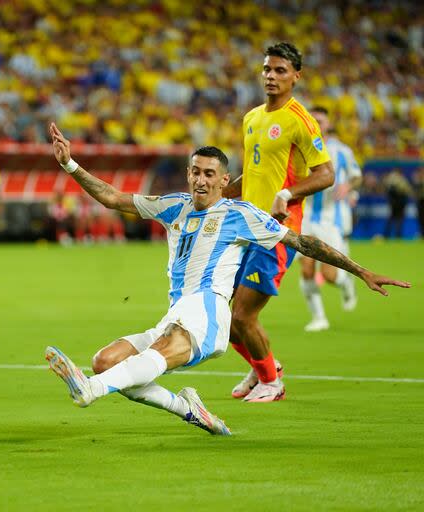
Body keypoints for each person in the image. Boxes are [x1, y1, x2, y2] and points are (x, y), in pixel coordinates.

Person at [45, 123, 408, 435]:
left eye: (208, 174)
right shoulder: (174, 205)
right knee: (106, 361)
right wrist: (70, 164)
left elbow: (302, 242)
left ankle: (90, 390)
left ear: (223, 180)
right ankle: (188, 409)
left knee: (123, 368)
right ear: (188, 174)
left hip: (208, 311)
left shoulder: (240, 214)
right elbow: (112, 198)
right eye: (195, 172)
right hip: (176, 312)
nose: (200, 180)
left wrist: (361, 271)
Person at [222, 42, 335, 402]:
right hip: (245, 227)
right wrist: (224, 193)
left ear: (296, 77)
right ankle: (264, 370)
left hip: (277, 232)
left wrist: (287, 195)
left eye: (280, 71)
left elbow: (326, 174)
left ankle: (272, 381)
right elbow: (255, 173)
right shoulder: (252, 117)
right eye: (267, 70)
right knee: (225, 320)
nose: (271, 76)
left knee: (242, 315)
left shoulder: (300, 120)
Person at [299, 107, 363, 331]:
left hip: (330, 218)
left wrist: (348, 186)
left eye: (321, 121)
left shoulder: (341, 151)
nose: (317, 124)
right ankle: (319, 318)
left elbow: (356, 176)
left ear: (327, 124)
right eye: (313, 120)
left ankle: (347, 283)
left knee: (329, 274)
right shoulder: (300, 148)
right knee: (306, 269)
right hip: (305, 215)